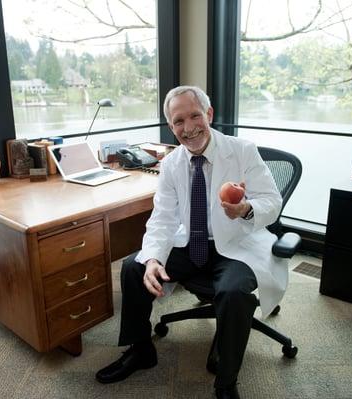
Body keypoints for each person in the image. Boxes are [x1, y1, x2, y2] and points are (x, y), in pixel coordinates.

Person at [95, 86, 288, 399]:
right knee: (134, 266)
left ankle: (226, 380)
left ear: (209, 114)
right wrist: (154, 258)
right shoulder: (171, 164)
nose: (188, 127)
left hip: (237, 244)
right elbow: (163, 219)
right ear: (171, 127)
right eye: (178, 121)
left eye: (195, 115)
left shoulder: (242, 150)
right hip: (192, 241)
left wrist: (245, 208)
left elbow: (271, 201)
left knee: (234, 292)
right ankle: (140, 348)